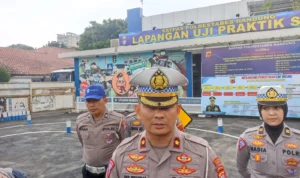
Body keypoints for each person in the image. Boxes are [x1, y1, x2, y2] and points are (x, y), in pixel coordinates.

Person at [106, 67, 227, 178]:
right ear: (137, 111)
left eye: (166, 107)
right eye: (151, 107)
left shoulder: (203, 155)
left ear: (178, 110)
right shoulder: (122, 153)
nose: (159, 115)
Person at [236, 85, 300, 178]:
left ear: (284, 110)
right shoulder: (247, 138)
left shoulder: (298, 138)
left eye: (277, 107)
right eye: (265, 108)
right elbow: (241, 168)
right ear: (260, 111)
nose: (271, 113)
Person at [76, 84, 125, 178]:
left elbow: (126, 144)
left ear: (105, 100)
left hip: (111, 171)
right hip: (88, 173)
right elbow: (82, 142)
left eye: (95, 100)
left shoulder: (118, 120)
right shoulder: (81, 120)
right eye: (88, 101)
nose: (91, 104)